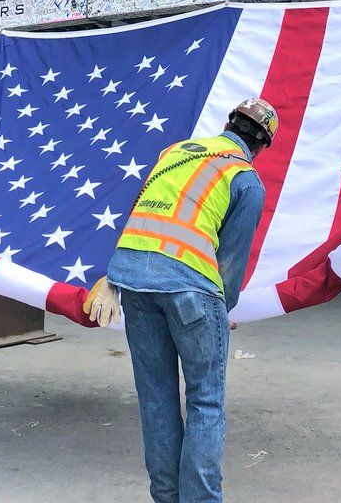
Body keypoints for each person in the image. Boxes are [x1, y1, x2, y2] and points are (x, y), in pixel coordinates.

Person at [91, 97, 278, 503]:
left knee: (156, 401)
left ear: (229, 124)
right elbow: (230, 265)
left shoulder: (175, 152)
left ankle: (167, 497)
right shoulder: (245, 179)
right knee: (205, 403)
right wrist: (220, 313)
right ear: (261, 146)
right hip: (192, 290)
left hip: (135, 284)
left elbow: (144, 211)